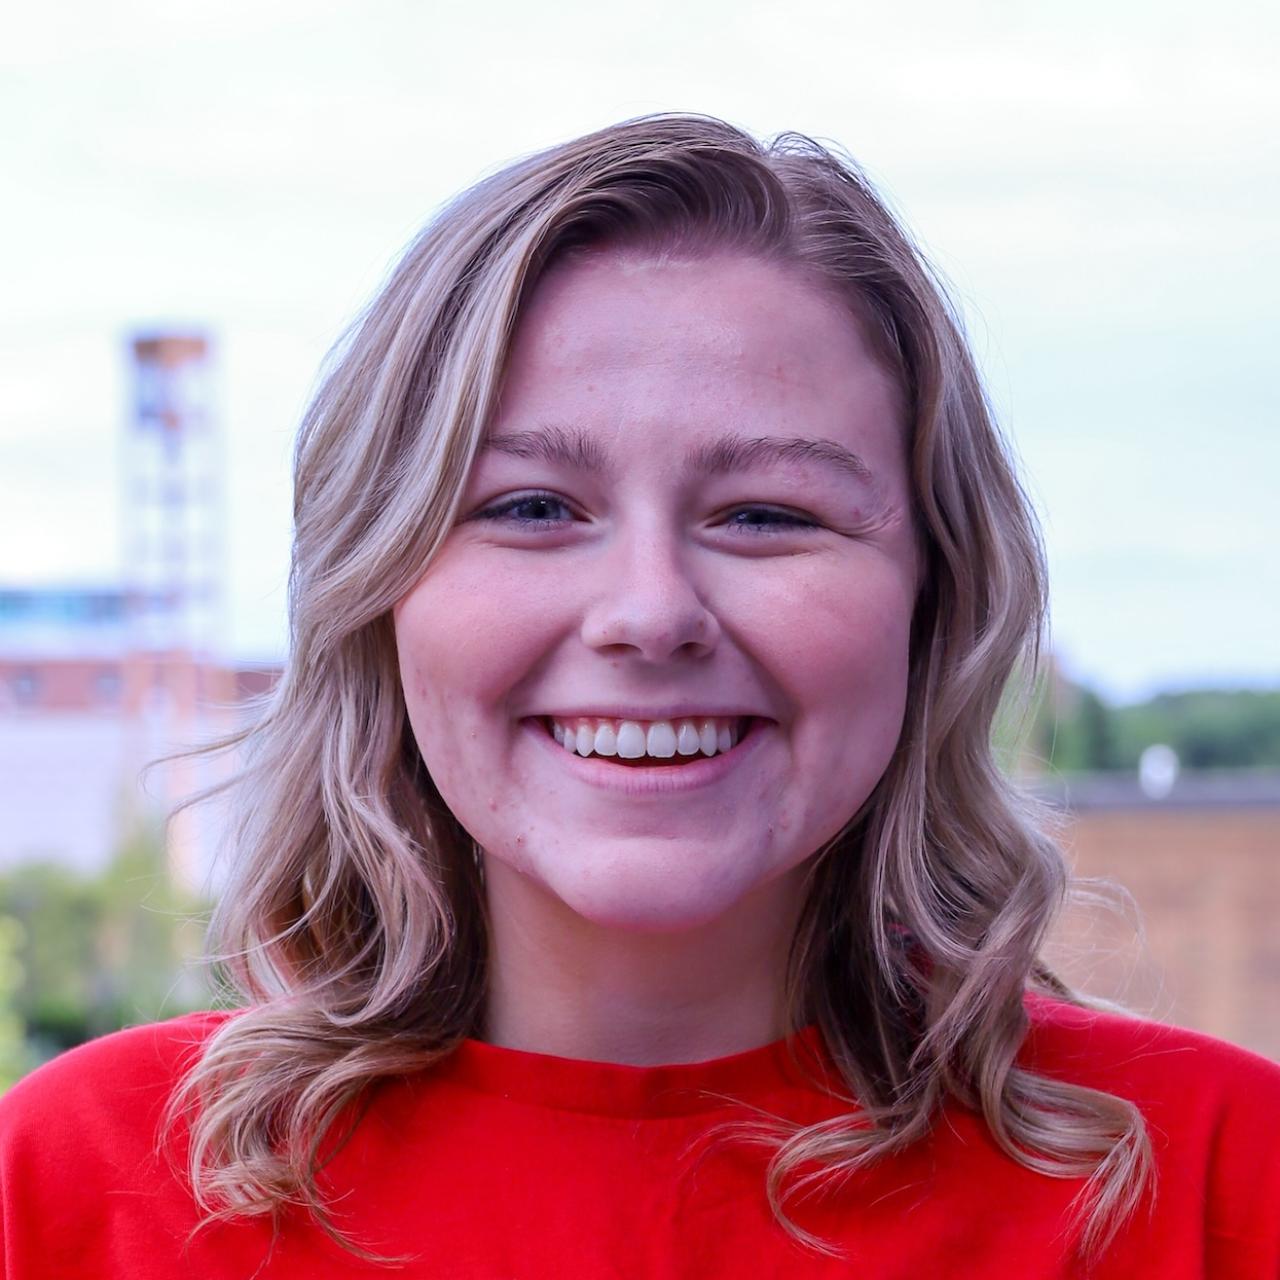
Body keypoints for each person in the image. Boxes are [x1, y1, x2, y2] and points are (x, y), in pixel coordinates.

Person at [1, 113, 1277, 1279]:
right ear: (380, 597)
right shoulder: (74, 1191)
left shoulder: (1218, 1181)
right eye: (532, 508)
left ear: (930, 601)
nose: (649, 610)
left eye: (766, 513)